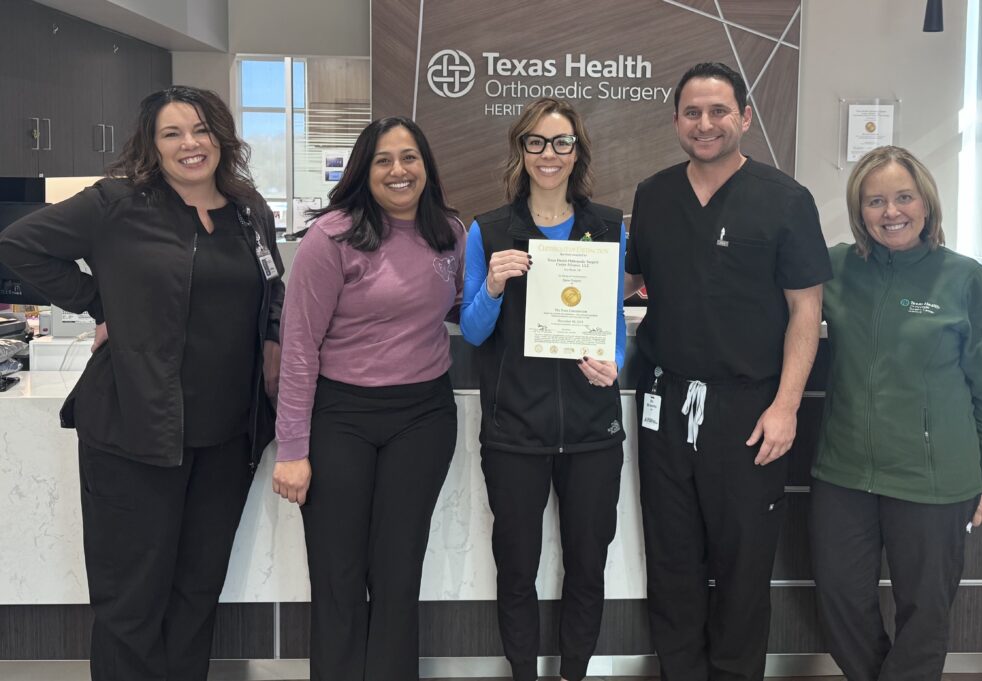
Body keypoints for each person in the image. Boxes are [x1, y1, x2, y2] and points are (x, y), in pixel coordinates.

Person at [0, 86, 284, 681]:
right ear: (152, 146)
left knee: (196, 594)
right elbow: (18, 245)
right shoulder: (117, 204)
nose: (190, 144)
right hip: (134, 429)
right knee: (130, 601)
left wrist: (274, 338)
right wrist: (100, 303)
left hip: (227, 437)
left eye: (201, 130)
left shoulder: (249, 211)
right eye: (172, 133)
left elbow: (271, 287)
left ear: (222, 137)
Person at [624, 62, 832, 680]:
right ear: (676, 122)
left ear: (744, 117)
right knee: (672, 559)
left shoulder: (786, 200)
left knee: (744, 566)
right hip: (664, 401)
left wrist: (787, 405)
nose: (705, 124)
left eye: (719, 111)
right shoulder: (654, 195)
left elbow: (806, 310)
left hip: (749, 410)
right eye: (692, 112)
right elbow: (630, 282)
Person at [271, 116, 464, 681]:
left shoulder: (449, 232)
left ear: (426, 167)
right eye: (384, 160)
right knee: (337, 575)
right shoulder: (330, 237)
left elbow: (456, 309)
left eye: (409, 158)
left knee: (399, 574)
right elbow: (300, 346)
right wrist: (293, 448)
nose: (399, 170)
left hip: (424, 417)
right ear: (365, 169)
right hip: (342, 418)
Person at [810, 145, 982, 681]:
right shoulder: (835, 267)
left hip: (934, 479)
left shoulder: (963, 278)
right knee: (839, 602)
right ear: (859, 210)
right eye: (875, 201)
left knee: (925, 613)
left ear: (926, 203)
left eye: (903, 197)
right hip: (845, 472)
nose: (890, 211)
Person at [461, 97, 628, 681]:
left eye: (560, 143)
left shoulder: (607, 225)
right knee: (516, 568)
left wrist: (615, 363)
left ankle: (575, 673)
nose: (548, 154)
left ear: (577, 151)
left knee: (587, 566)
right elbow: (476, 332)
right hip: (515, 432)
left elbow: (612, 320)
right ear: (521, 150)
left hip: (592, 431)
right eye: (536, 142)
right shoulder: (490, 230)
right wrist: (496, 286)